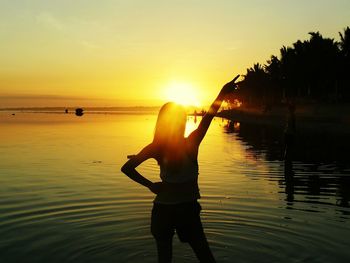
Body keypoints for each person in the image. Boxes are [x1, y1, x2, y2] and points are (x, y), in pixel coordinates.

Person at [121, 76, 239, 263]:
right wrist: (223, 93)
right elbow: (208, 117)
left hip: (162, 211)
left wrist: (151, 185)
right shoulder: (191, 143)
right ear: (182, 121)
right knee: (206, 259)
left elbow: (126, 168)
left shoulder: (155, 147)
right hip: (187, 211)